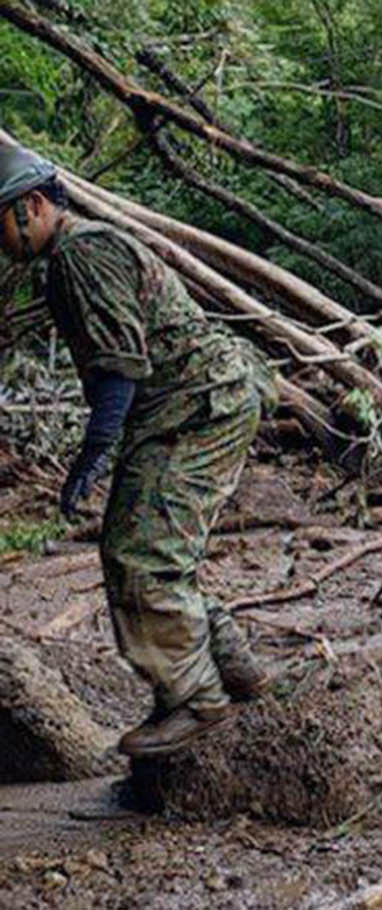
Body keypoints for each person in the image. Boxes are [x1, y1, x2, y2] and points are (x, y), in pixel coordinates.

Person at [0, 144, 273, 756]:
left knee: (141, 552)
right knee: (148, 545)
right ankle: (233, 669)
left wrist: (94, 452)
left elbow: (120, 366)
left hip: (198, 405)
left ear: (33, 206)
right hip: (192, 402)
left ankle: (197, 700)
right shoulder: (76, 251)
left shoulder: (80, 253)